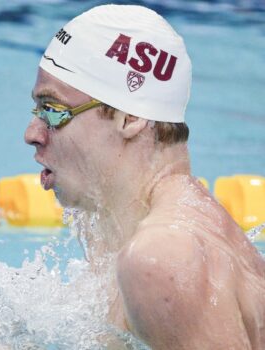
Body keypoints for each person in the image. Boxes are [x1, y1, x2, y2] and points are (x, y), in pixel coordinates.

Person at [24, 4, 265, 350]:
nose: (32, 133)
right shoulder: (131, 228)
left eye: (53, 111)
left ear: (129, 119)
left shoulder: (159, 258)